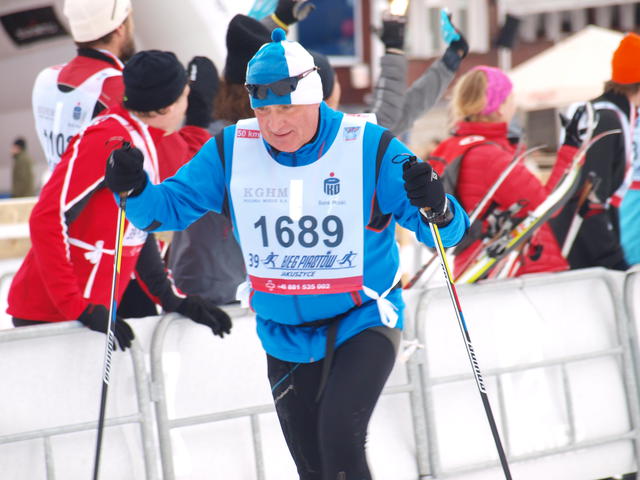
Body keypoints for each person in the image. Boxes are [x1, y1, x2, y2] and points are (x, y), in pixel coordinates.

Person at [105, 29, 469, 479]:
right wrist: (133, 188)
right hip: (283, 334)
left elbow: (445, 233)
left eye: (286, 108)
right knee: (312, 468)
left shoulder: (368, 146)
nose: (274, 124)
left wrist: (438, 206)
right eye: (263, 110)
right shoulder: (231, 150)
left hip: (362, 319)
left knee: (340, 439)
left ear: (314, 98)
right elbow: (164, 210)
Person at [168, 8, 468, 306]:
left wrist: (277, 22)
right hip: (257, 290)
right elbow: (392, 110)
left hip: (203, 282)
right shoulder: (330, 140)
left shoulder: (211, 132)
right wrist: (417, 55)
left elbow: (244, 45)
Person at [7, 50, 231, 349]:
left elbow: (134, 229)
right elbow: (47, 217)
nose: (187, 106)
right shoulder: (107, 137)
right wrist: (79, 308)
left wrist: (171, 298)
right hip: (49, 314)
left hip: (91, 313)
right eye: (185, 97)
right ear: (167, 106)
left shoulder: (145, 137)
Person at [428, 66, 571, 279]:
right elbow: (545, 205)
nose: (514, 105)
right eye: (510, 99)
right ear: (499, 107)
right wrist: (571, 150)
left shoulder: (453, 146)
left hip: (474, 265)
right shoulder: (490, 156)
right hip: (512, 272)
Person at [549, 32, 640, 271]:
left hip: (581, 246)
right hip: (582, 252)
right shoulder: (608, 120)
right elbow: (589, 198)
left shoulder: (603, 112)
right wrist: (613, 260)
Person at [32, 0, 136, 172]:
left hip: (57, 187)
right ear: (120, 28)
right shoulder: (121, 86)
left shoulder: (46, 79)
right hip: (107, 190)